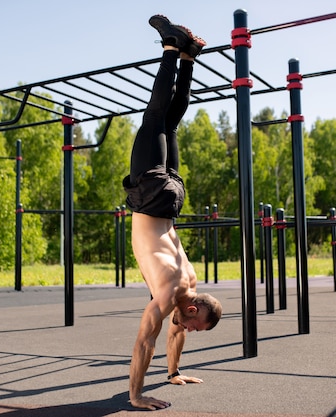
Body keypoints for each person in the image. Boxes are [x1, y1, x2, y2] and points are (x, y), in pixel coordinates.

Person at [122, 15, 223, 411]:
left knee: (170, 125)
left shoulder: (190, 283)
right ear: (193, 308)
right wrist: (135, 395)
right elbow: (145, 340)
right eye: (193, 323)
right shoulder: (169, 294)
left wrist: (173, 373)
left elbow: (175, 333)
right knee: (153, 116)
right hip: (151, 196)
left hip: (173, 199)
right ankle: (171, 46)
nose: (186, 329)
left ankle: (189, 57)